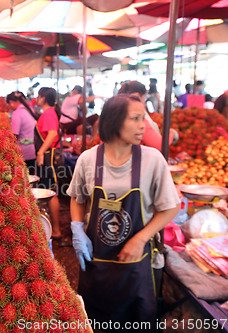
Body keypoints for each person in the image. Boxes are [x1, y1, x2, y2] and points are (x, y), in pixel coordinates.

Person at [67, 94, 180, 330]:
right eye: (136, 118)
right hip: (95, 263)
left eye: (144, 118)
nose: (144, 126)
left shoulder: (152, 160)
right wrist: (77, 229)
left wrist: (140, 239)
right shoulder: (88, 160)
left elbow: (170, 207)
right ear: (115, 121)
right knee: (95, 322)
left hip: (137, 267)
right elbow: (77, 198)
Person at [34, 87, 62, 240]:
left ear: (43, 98)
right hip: (48, 156)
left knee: (51, 193)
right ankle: (54, 228)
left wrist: (40, 152)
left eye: (38, 96)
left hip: (48, 156)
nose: (36, 99)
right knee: (49, 191)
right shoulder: (49, 113)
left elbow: (52, 134)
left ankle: (56, 230)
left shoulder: (49, 113)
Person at [118, 81, 177, 150]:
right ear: (137, 96)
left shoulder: (116, 112)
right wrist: (172, 134)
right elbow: (159, 144)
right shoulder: (135, 118)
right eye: (144, 98)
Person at [7, 91, 38, 174]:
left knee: (23, 178)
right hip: (33, 149)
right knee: (31, 176)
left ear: (11, 102)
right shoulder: (30, 109)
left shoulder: (17, 113)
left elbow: (14, 135)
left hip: (24, 152)